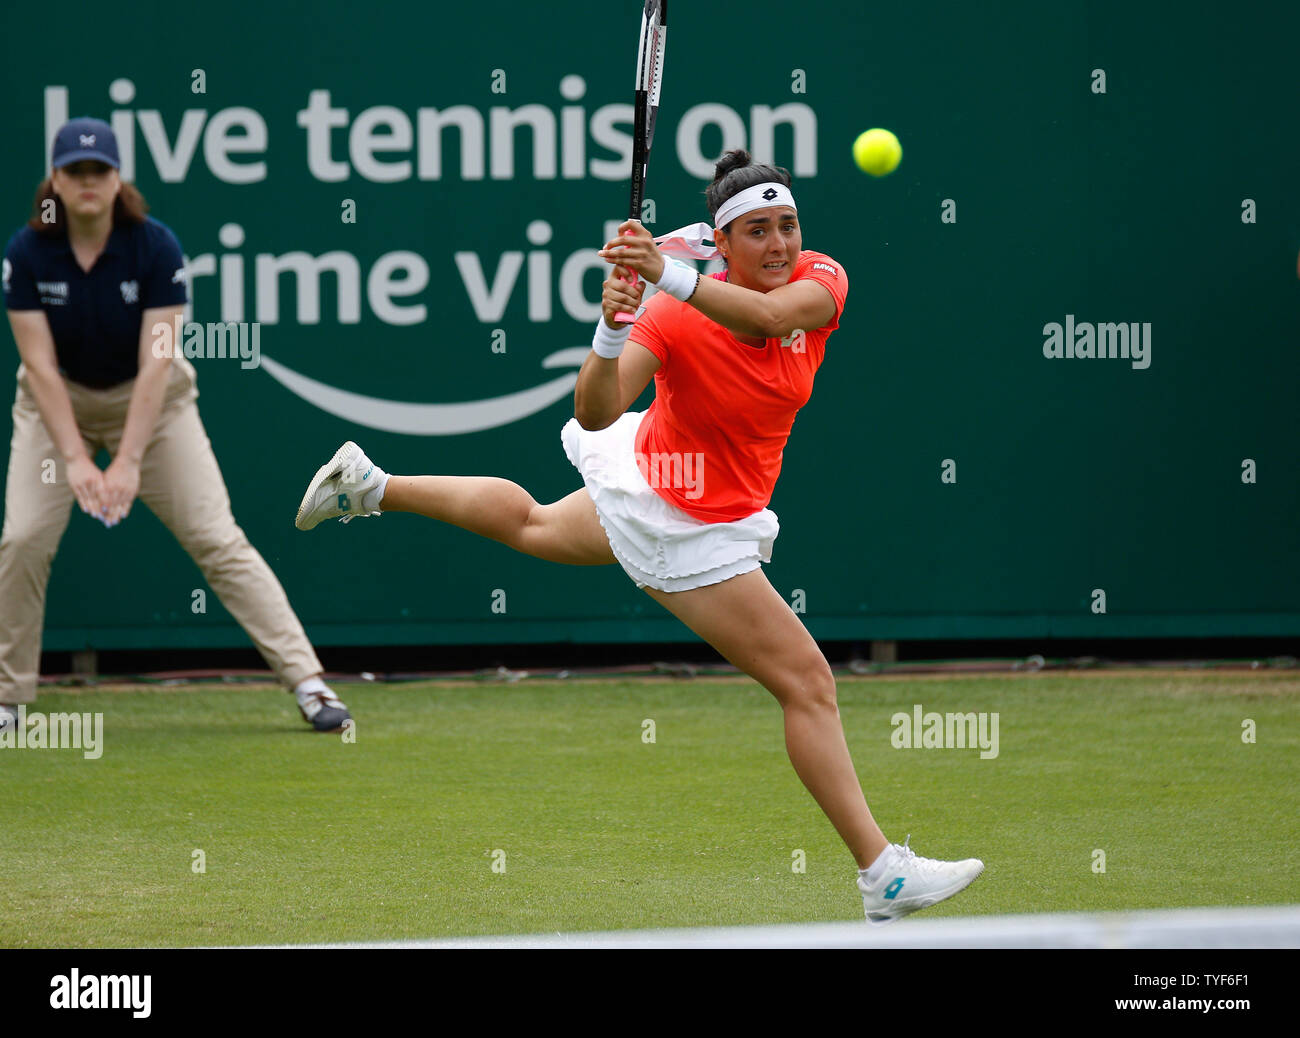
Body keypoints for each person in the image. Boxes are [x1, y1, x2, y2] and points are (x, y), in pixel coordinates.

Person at [294, 150, 983, 922]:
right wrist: (610, 329)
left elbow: (767, 318)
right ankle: (882, 874)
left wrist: (664, 270)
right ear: (724, 243)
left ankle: (373, 486)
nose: (781, 245)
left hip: (685, 491)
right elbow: (594, 412)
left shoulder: (819, 281)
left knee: (534, 525)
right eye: (757, 231)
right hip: (680, 521)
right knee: (806, 683)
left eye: (788, 224)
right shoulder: (674, 314)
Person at [0, 117, 350, 733]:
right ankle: (9, 697)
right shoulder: (27, 253)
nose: (87, 182)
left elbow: (157, 358)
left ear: (117, 180)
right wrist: (78, 460)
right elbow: (39, 366)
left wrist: (129, 459)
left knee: (217, 537)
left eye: (99, 171)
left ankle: (309, 684)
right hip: (57, 407)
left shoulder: (156, 246)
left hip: (155, 406)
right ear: (53, 179)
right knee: (24, 538)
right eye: (74, 172)